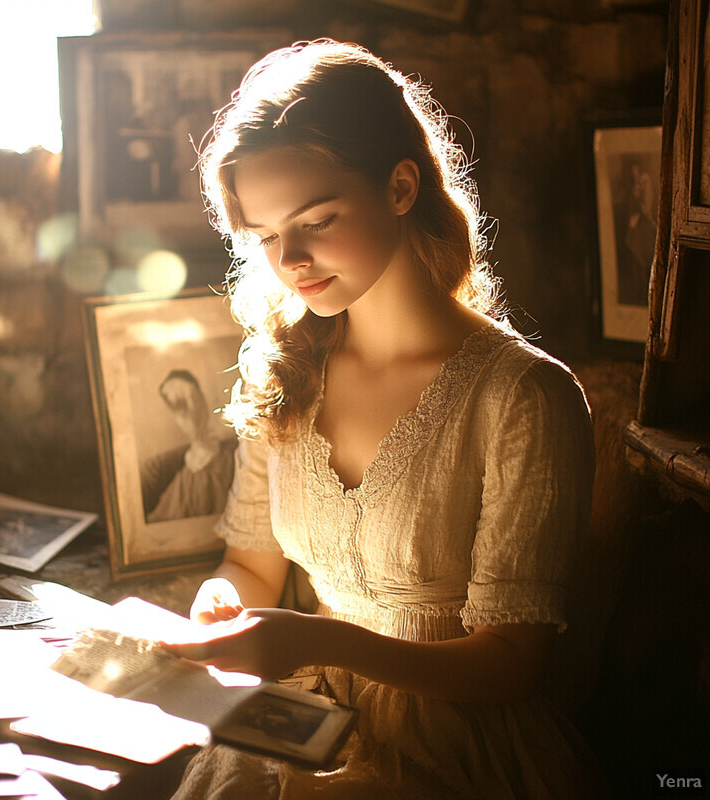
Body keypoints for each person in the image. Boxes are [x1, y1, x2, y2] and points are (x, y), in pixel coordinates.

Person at [164, 39, 609, 798]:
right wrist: (223, 602)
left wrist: (312, 637)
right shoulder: (286, 370)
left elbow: (511, 664)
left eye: (318, 219)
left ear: (401, 186)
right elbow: (251, 566)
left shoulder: (524, 398)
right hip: (299, 721)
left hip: (456, 748)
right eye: (267, 236)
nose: (291, 260)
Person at [141, 369, 236, 523]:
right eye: (180, 407)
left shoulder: (234, 452)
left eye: (195, 400)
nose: (192, 414)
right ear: (174, 417)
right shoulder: (178, 475)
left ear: (204, 403)